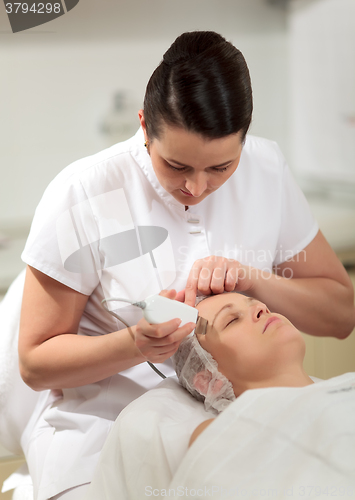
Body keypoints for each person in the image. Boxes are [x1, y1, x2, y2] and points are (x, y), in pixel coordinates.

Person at [14, 30, 354, 500]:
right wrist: (137, 343)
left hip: (241, 416)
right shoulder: (84, 193)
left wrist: (255, 281)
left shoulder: (266, 169)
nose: (196, 188)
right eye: (176, 166)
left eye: (220, 168)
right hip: (103, 430)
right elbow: (35, 363)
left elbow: (341, 314)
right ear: (143, 127)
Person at [172, 291, 316, 444]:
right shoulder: (221, 436)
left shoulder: (343, 391)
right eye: (232, 320)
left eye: (256, 303)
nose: (261, 308)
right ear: (209, 381)